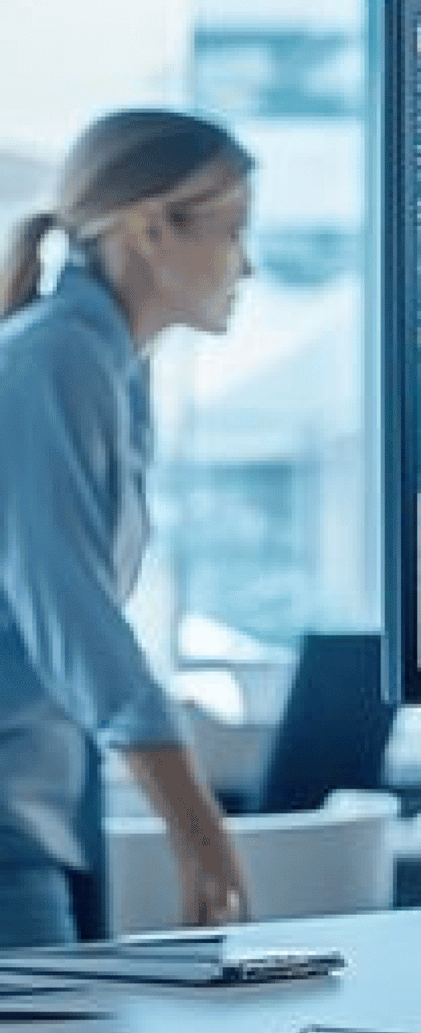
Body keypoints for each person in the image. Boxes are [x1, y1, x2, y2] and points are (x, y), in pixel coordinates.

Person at [0, 109, 255, 947]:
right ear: (150, 227)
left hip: (39, 815)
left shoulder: (110, 372)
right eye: (232, 231)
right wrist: (197, 826)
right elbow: (74, 613)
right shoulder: (53, 359)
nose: (245, 264)